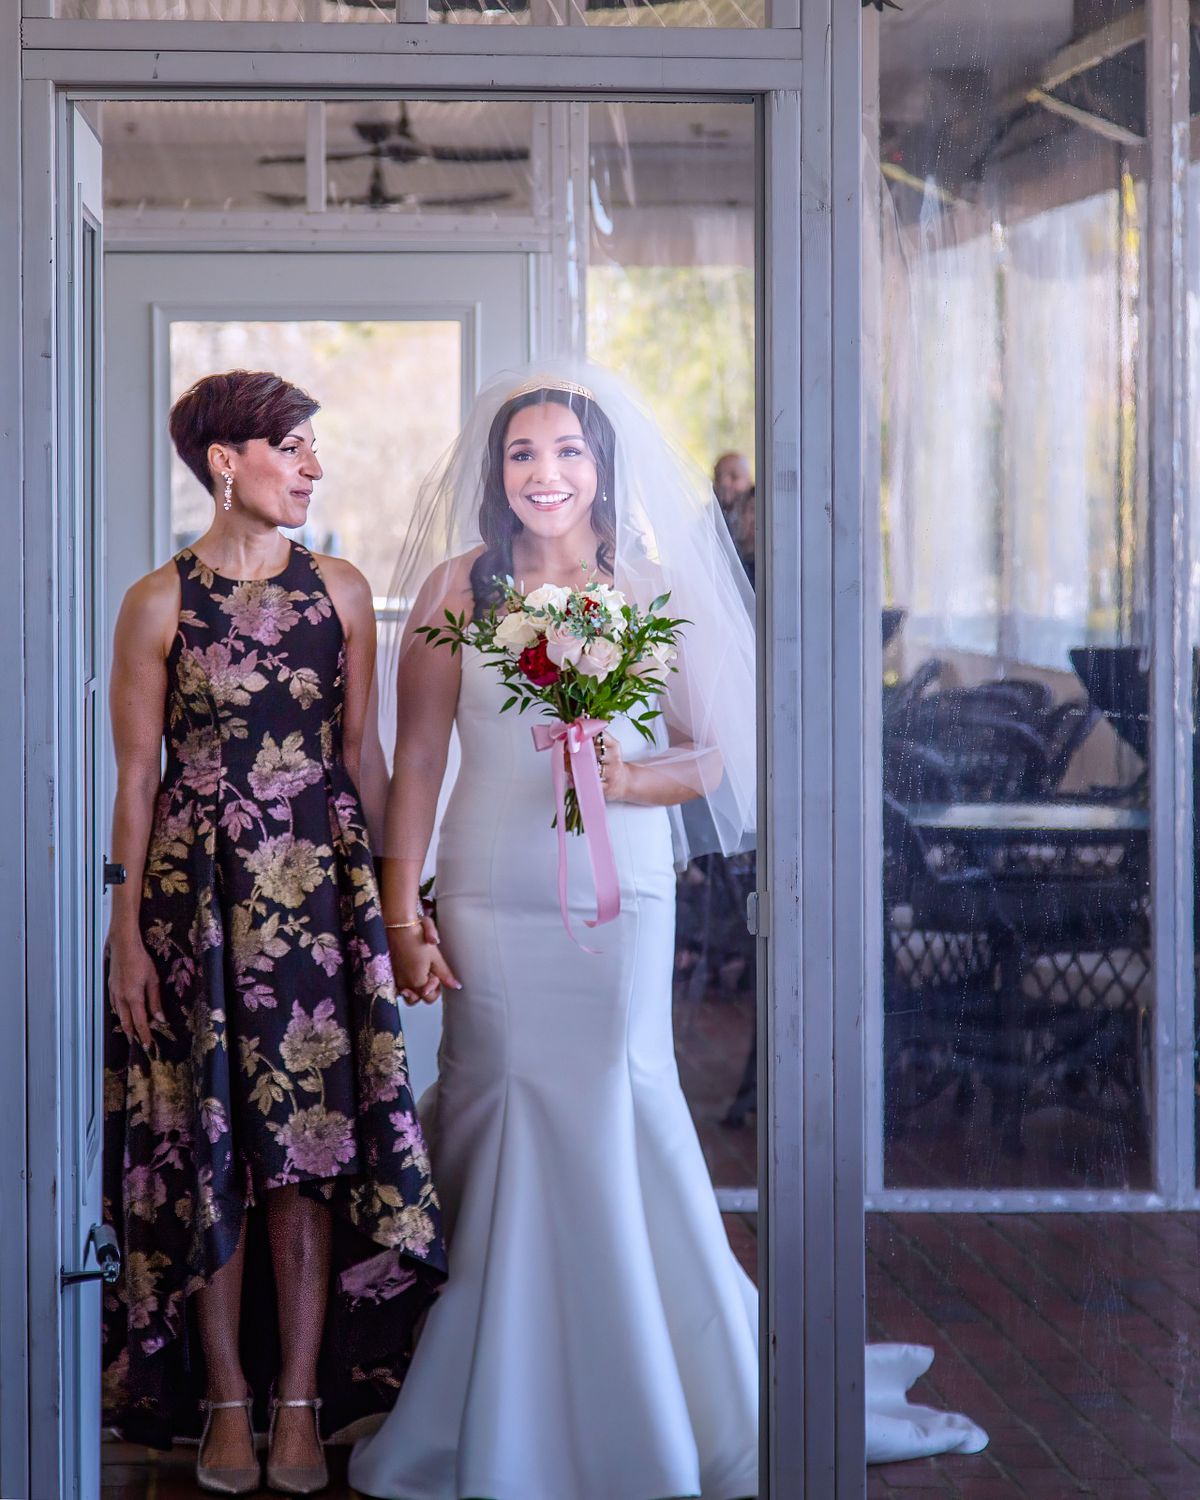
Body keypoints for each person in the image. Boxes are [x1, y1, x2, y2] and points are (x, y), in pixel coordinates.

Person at [350, 363, 988, 1500]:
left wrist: (630, 777)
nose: (546, 474)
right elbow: (417, 770)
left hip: (621, 898)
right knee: (502, 1100)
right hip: (492, 895)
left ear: (603, 470)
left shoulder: (649, 588)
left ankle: (658, 1382)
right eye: (523, 455)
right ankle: (503, 1382)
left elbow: (719, 750)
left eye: (567, 453)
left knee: (615, 1095)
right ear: (499, 477)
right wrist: (404, 915)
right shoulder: (460, 591)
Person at [102, 370, 446, 1496]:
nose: (311, 468)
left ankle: (300, 1402)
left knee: (307, 1154)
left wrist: (400, 912)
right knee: (211, 1156)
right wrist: (126, 937)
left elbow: (367, 759)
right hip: (192, 901)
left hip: (320, 897)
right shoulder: (157, 601)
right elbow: (136, 779)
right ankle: (225, 1404)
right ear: (223, 462)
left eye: (311, 449)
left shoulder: (340, 591)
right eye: (291, 448)